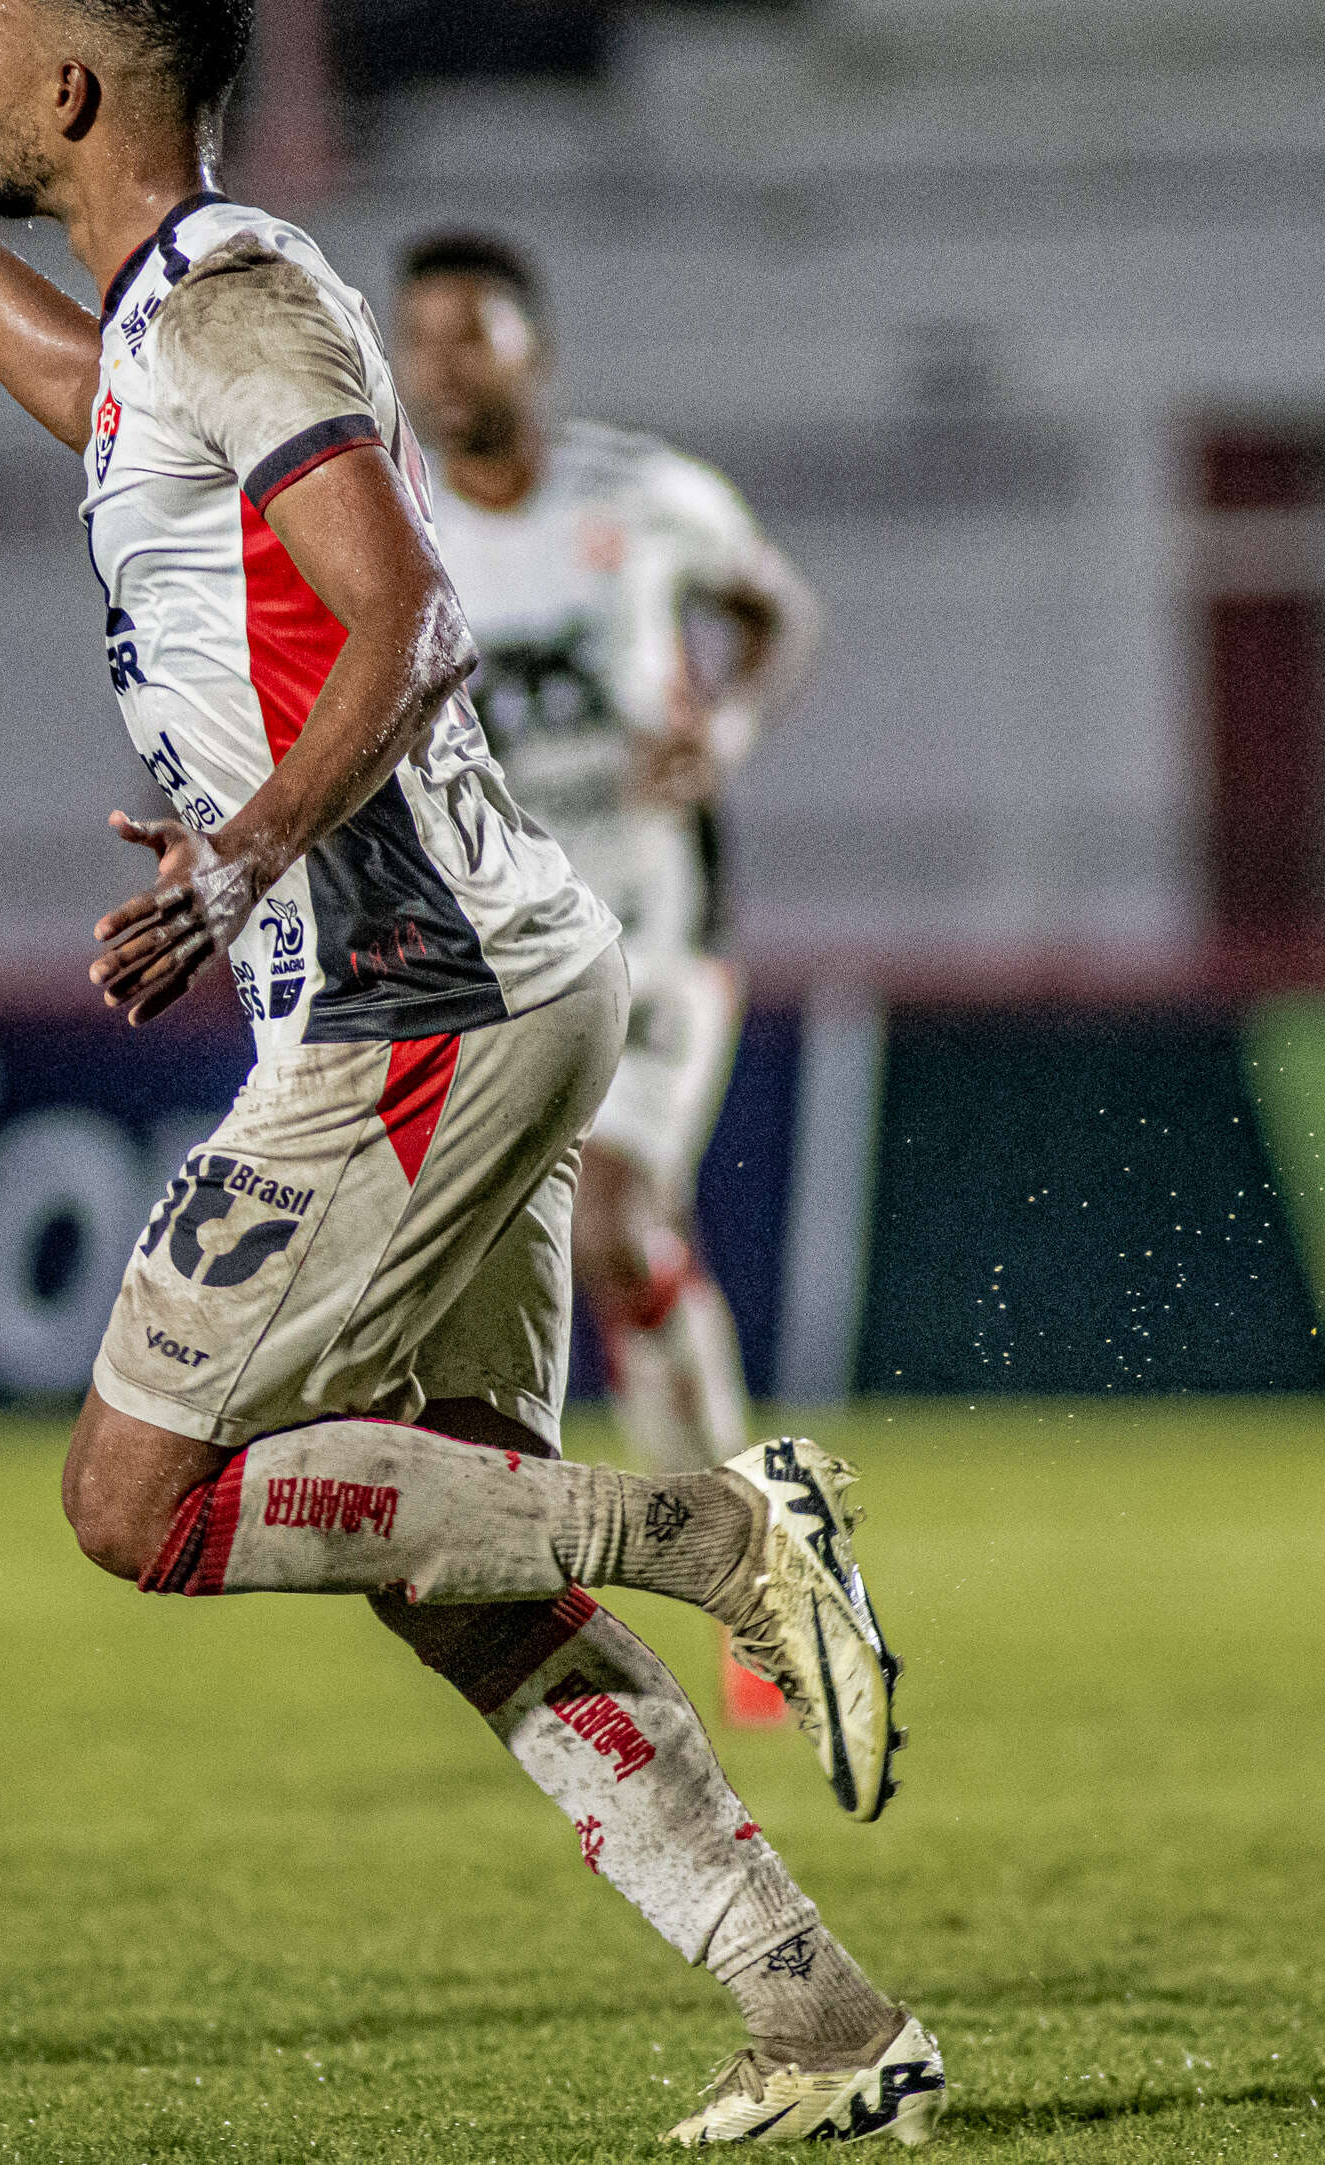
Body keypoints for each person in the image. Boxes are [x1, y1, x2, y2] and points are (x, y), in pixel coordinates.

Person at [0, 0, 940, 2145]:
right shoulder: (169, 317)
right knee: (451, 1564)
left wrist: (238, 862)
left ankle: (716, 1535)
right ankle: (822, 2022)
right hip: (464, 972)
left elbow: (409, 619)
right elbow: (81, 395)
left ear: (71, 83)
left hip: (414, 995)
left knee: (135, 1498)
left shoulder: (232, 309)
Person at [391, 232, 825, 1730]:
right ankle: (734, 1542)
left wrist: (735, 726)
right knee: (553, 1266)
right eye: (423, 338)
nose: (447, 364)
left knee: (624, 1215)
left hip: (655, 920)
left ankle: (744, 1568)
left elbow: (781, 610)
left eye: (475, 334)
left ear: (537, 352)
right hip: (496, 953)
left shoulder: (644, 496)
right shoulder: (391, 527)